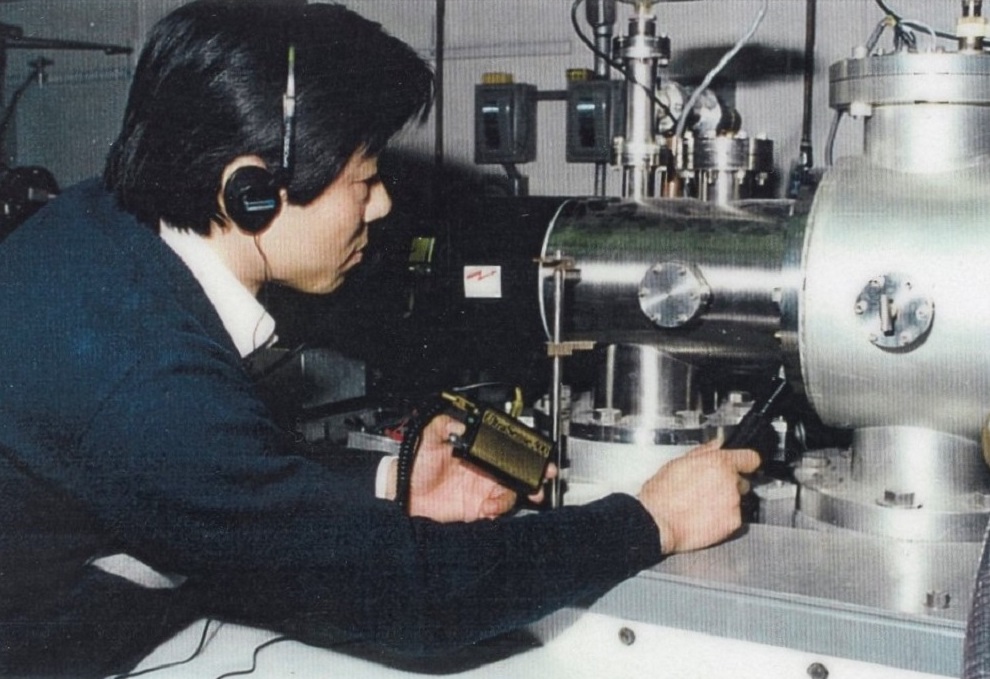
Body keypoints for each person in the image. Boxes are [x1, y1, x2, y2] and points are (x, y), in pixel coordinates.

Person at [0, 1, 760, 677]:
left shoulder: (98, 222)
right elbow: (413, 596)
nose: (384, 202)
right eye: (363, 181)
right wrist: (654, 519)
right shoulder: (144, 376)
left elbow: (197, 478)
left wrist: (384, 482)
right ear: (249, 190)